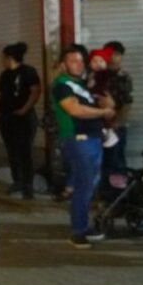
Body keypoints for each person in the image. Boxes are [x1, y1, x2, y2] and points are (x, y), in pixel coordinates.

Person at [52, 45, 114, 248]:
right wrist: (103, 112)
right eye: (73, 61)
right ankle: (78, 231)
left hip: (93, 138)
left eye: (81, 61)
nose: (78, 65)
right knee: (84, 185)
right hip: (77, 139)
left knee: (90, 184)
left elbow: (104, 104)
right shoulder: (61, 85)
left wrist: (106, 103)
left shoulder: (84, 85)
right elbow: (74, 110)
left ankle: (83, 226)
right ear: (63, 64)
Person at [0, 42, 41, 199]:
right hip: (7, 118)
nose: (2, 61)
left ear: (10, 58)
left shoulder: (28, 71)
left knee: (25, 152)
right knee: (11, 151)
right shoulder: (4, 74)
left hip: (24, 118)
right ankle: (17, 181)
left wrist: (25, 109)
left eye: (3, 58)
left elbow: (35, 91)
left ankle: (28, 186)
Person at [102, 41, 133, 186]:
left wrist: (117, 122)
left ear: (121, 56)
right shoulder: (97, 74)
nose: (113, 57)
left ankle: (118, 193)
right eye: (109, 54)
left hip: (117, 126)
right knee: (101, 161)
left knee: (117, 161)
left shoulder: (124, 77)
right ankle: (103, 191)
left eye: (117, 54)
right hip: (98, 125)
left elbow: (127, 103)